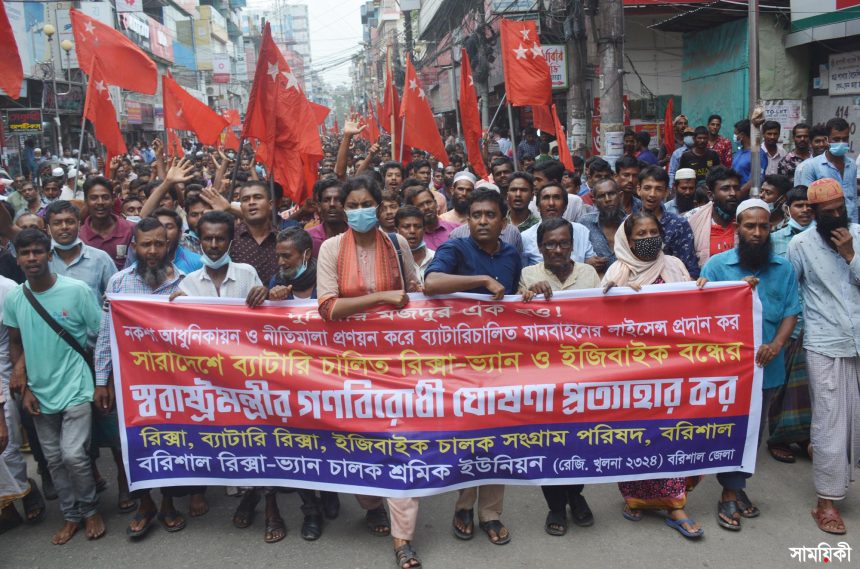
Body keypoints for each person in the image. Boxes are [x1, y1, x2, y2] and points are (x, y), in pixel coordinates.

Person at [316, 175, 420, 565]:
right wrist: (379, 298)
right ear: (344, 209)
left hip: (397, 364)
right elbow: (327, 307)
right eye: (352, 204)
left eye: (366, 203)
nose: (359, 210)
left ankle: (403, 538)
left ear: (379, 205)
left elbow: (415, 292)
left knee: (400, 445)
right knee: (360, 444)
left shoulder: (397, 244)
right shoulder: (330, 248)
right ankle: (371, 502)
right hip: (347, 365)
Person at [424, 189, 521, 546]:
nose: (482, 221)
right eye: (476, 215)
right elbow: (431, 283)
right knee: (468, 438)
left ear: (503, 221)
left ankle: (490, 512)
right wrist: (480, 282)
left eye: (489, 215)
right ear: (468, 220)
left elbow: (515, 298)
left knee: (498, 439)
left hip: (502, 361)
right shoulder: (456, 248)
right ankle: (464, 504)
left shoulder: (511, 254)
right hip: (460, 364)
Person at [698, 199, 801, 532]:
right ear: (737, 229)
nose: (757, 233)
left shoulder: (783, 268)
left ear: (770, 228)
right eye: (749, 226)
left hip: (766, 366)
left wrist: (777, 345)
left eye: (763, 226)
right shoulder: (717, 266)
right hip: (727, 371)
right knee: (730, 429)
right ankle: (730, 490)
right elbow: (701, 315)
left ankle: (734, 487)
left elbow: (790, 312)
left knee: (753, 434)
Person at [598, 212, 701, 538]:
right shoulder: (617, 271)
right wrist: (617, 294)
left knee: (672, 434)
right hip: (633, 376)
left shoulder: (674, 266)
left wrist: (708, 293)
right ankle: (637, 497)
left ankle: (674, 505)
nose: (648, 238)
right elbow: (602, 326)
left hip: (673, 370)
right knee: (637, 438)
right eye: (640, 233)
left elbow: (694, 313)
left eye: (653, 231)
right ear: (627, 241)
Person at [93, 218, 194, 538]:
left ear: (169, 246)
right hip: (130, 382)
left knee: (169, 441)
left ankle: (166, 504)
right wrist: (101, 380)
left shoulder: (187, 284)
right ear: (134, 246)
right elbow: (106, 336)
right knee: (133, 443)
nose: (152, 250)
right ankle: (144, 503)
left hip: (174, 382)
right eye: (146, 244)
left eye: (159, 244)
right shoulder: (120, 284)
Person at [5, 229, 105, 544]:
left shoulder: (76, 291)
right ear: (17, 259)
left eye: (38, 252)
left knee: (74, 455)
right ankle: (70, 515)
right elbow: (15, 343)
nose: (32, 258)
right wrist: (26, 388)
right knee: (53, 460)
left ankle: (90, 511)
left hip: (76, 385)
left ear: (50, 255)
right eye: (25, 253)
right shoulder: (15, 297)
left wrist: (102, 381)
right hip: (38, 393)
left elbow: (101, 336)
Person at [44, 201, 129, 511]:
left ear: (77, 224)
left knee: (112, 423)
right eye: (58, 222)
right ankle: (92, 482)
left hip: (97, 354)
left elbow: (114, 303)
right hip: (59, 362)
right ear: (48, 228)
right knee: (79, 431)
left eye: (69, 221)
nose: (64, 227)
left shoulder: (100, 259)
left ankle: (124, 483)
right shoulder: (43, 260)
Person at [517, 217, 599, 536]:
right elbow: (518, 321)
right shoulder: (528, 274)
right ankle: (555, 506)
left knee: (582, 441)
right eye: (550, 244)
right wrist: (529, 293)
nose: (558, 249)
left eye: (564, 243)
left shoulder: (589, 274)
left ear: (572, 245)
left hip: (583, 376)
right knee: (550, 443)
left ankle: (576, 496)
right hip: (545, 379)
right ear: (540, 247)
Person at [787, 178, 860, 535]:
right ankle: (826, 502)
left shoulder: (858, 236)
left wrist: (851, 255)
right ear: (814, 214)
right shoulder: (800, 245)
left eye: (839, 210)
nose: (836, 216)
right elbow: (791, 291)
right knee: (829, 422)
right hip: (824, 342)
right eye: (827, 213)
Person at [767, 186, 815, 464]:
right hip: (785, 320)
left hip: (815, 320)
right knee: (780, 385)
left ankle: (805, 436)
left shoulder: (824, 237)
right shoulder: (776, 239)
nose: (805, 210)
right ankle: (778, 438)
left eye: (810, 206)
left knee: (807, 388)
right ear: (788, 209)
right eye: (799, 206)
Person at [635, 166, 699, 278]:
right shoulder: (627, 223)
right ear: (638, 190)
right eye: (647, 188)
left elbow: (690, 268)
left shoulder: (678, 224)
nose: (652, 194)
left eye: (658, 189)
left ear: (666, 192)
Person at [796, 117, 858, 223]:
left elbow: (853, 199)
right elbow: (806, 203)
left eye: (845, 139)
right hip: (824, 226)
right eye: (836, 139)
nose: (841, 143)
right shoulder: (811, 167)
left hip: (851, 224)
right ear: (827, 140)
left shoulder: (852, 165)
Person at [522, 184, 596, 267]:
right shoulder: (526, 237)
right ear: (538, 207)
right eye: (546, 198)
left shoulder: (581, 231)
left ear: (565, 206)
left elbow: (590, 263)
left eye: (557, 198)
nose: (551, 203)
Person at [685, 166, 742, 268]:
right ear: (711, 195)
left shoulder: (746, 219)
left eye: (736, 188)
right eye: (725, 189)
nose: (733, 193)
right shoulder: (692, 218)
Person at [79, 177, 135, 270]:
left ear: (113, 200)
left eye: (105, 197)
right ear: (86, 201)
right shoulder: (79, 236)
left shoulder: (131, 229)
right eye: (94, 198)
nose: (100, 202)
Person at [231, 181, 280, 285]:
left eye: (257, 197)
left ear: (270, 204)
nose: (251, 202)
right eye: (245, 199)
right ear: (241, 207)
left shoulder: (283, 239)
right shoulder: (229, 239)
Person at [580, 178, 625, 276]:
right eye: (601, 196)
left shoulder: (632, 223)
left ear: (620, 196)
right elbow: (574, 258)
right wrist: (586, 263)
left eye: (612, 194)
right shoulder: (585, 223)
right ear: (594, 201)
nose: (608, 199)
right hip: (595, 285)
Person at [405, 185, 458, 250]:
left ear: (435, 203)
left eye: (429, 202)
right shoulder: (412, 238)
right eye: (420, 205)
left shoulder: (455, 229)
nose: (426, 207)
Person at [307, 178, 347, 257]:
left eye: (338, 199)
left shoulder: (356, 235)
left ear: (346, 204)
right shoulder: (308, 238)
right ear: (319, 206)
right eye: (326, 200)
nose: (332, 204)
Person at [395, 206, 434, 285]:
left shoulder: (436, 257)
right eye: (406, 227)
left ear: (424, 229)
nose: (412, 231)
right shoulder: (393, 262)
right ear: (397, 231)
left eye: (418, 227)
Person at [732, 119, 769, 192]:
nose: (734, 136)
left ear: (742, 135)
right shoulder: (739, 152)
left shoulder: (758, 154)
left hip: (749, 198)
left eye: (736, 134)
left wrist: (739, 194)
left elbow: (756, 180)